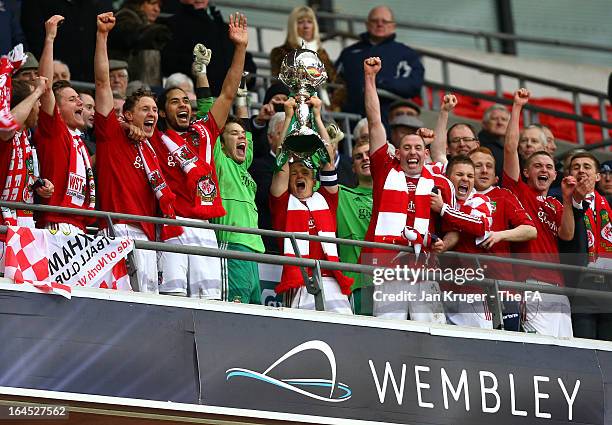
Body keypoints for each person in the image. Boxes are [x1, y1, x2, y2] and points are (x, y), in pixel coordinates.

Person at [151, 13, 248, 299]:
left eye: (186, 101)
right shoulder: (154, 139)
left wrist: (240, 48)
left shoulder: (204, 131)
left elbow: (228, 93)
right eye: (174, 101)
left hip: (205, 229)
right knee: (173, 299)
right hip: (172, 226)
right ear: (162, 111)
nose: (183, 105)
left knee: (210, 302)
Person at [361, 57, 455, 323]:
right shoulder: (385, 170)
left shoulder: (436, 179)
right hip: (389, 268)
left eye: (418, 148)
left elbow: (452, 231)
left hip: (424, 270)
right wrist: (370, 78)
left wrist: (442, 244)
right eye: (406, 147)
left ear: (425, 154)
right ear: (397, 152)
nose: (412, 152)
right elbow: (375, 121)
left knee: (431, 333)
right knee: (389, 332)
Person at [94, 11, 179, 293]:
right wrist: (103, 36)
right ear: (127, 115)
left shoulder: (151, 148)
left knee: (150, 307)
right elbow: (103, 82)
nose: (152, 114)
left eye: (155, 110)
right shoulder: (111, 133)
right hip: (118, 229)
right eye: (145, 109)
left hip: (149, 234)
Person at [503, 88, 577, 338]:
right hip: (531, 283)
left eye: (548, 167)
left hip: (558, 287)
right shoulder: (518, 192)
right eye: (537, 166)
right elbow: (511, 149)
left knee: (568, 352)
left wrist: (567, 199)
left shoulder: (557, 204)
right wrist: (517, 107)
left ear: (555, 175)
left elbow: (567, 235)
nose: (543, 170)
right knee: (542, 349)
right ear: (526, 172)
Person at [270, 96, 353, 314]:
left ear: (314, 180)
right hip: (299, 283)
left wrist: (316, 116)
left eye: (305, 172)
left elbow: (327, 160)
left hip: (332, 280)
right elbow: (281, 164)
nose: (299, 176)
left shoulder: (326, 199)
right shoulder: (282, 203)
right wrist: (288, 118)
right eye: (294, 173)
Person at [35, 15, 96, 234]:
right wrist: (50, 38)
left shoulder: (80, 143)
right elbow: (45, 86)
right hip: (55, 225)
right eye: (72, 100)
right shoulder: (54, 130)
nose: (80, 102)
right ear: (56, 110)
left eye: (79, 99)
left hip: (79, 226)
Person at [334, 6, 424, 122]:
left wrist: (380, 83)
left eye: (385, 21)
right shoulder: (349, 53)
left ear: (393, 26)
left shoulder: (405, 54)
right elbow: (334, 83)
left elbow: (414, 84)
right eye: (375, 21)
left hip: (388, 121)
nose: (380, 24)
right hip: (352, 119)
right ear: (367, 24)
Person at [212, 116, 264, 304]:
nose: (242, 137)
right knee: (235, 310)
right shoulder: (221, 162)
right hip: (232, 244)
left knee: (254, 311)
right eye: (234, 134)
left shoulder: (244, 167)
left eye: (243, 134)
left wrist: (242, 96)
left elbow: (247, 138)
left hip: (253, 249)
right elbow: (212, 122)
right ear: (222, 144)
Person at [561, 153, 612, 340]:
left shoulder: (609, 205)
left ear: (597, 176)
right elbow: (567, 237)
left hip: (610, 285)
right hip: (581, 285)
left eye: (587, 166)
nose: (581, 170)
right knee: (584, 347)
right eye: (576, 167)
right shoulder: (560, 201)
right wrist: (575, 200)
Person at [161, 0, 256, 97]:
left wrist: (245, 75)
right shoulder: (173, 24)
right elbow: (167, 59)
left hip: (226, 101)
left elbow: (244, 59)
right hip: (195, 99)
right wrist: (194, 66)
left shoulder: (222, 26)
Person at [0, 58, 54, 230]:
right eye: (34, 100)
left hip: (25, 220)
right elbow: (7, 126)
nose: (38, 104)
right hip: (4, 221)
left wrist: (38, 184)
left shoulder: (26, 136)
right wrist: (37, 91)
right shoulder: (6, 133)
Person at [270, 5, 335, 106]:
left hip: (324, 107)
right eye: (300, 22)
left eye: (309, 22)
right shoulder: (281, 52)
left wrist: (334, 106)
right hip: (295, 106)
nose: (306, 26)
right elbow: (280, 84)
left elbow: (337, 85)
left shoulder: (322, 53)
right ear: (293, 26)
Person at [336, 139, 373, 315]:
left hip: (395, 286)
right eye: (359, 157)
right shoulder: (342, 195)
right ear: (353, 167)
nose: (365, 159)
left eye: (369, 154)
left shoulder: (398, 195)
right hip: (360, 285)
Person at [108, 0, 170, 86]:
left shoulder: (150, 25)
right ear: (139, 3)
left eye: (159, 5)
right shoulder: (124, 16)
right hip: (128, 86)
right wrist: (156, 32)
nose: (157, 9)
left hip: (150, 88)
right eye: (152, 3)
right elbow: (132, 35)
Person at [249, 111, 285, 253]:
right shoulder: (257, 166)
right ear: (270, 138)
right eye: (281, 133)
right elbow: (268, 198)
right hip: (268, 247)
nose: (286, 139)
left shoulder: (303, 168)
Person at [478, 104, 510, 179]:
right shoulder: (478, 144)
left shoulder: (513, 147)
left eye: (504, 119)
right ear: (485, 124)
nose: (500, 123)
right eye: (495, 119)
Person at [78, 91, 96, 164]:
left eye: (94, 108)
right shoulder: (66, 135)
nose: (94, 113)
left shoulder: (95, 136)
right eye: (89, 107)